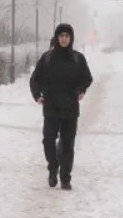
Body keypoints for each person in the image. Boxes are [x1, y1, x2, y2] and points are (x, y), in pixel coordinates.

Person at [29, 22, 93, 190]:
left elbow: (87, 78)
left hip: (71, 109)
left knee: (68, 144)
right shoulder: (47, 58)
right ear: (57, 38)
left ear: (70, 38)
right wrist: (38, 95)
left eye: (67, 36)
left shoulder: (78, 58)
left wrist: (80, 90)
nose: (64, 39)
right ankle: (53, 168)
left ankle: (65, 178)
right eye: (61, 36)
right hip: (51, 108)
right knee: (48, 142)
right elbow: (35, 79)